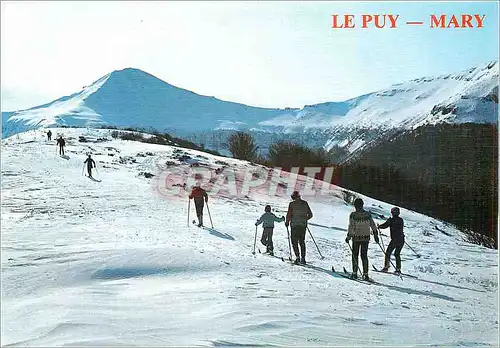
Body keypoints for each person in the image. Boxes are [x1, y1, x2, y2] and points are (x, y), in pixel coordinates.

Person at [345, 198, 379, 281]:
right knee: (364, 256)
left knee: (355, 255)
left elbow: (351, 227)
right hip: (366, 238)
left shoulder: (353, 215)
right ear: (362, 205)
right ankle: (365, 274)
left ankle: (354, 273)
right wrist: (375, 234)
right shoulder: (367, 214)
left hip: (356, 238)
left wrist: (348, 237)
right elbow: (373, 224)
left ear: (355, 206)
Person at [285, 191, 313, 265]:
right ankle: (303, 258)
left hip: (294, 225)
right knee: (302, 241)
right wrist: (304, 219)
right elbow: (310, 215)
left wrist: (287, 222)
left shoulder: (291, 204)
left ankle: (297, 257)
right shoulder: (305, 203)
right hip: (303, 226)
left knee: (294, 242)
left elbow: (289, 214)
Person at [378, 207, 404, 273]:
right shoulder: (401, 220)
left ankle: (386, 267)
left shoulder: (392, 220)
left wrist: (379, 226)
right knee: (397, 254)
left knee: (388, 253)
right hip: (401, 239)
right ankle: (398, 269)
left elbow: (385, 225)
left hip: (395, 239)